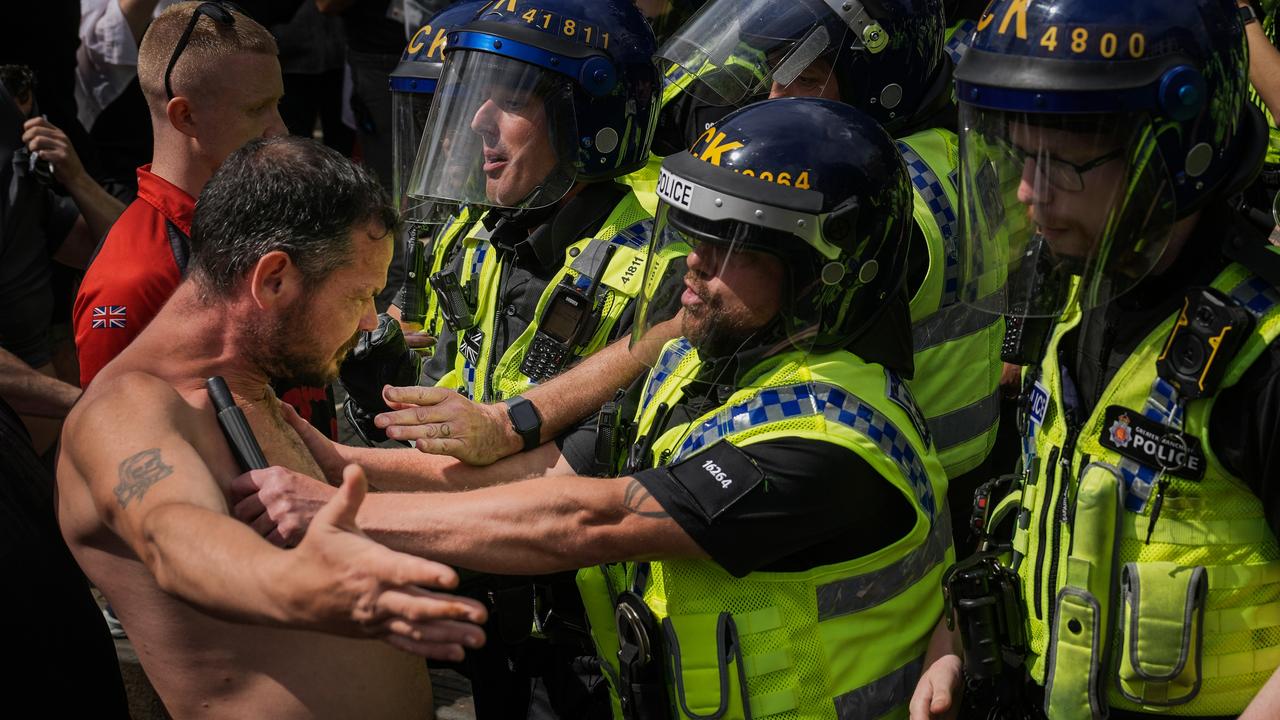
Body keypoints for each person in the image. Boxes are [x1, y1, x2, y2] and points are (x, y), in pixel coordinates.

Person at [238, 97, 955, 720]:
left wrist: (344, 516)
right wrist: (346, 468)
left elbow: (588, 519)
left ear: (824, 272)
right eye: (694, 235)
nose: (694, 264)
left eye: (732, 245)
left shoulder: (828, 443)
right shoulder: (702, 361)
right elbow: (548, 476)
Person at [912, 0, 1280, 718]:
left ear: (1176, 151)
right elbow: (1044, 513)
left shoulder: (1263, 358)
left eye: (1064, 167)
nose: (1027, 194)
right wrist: (951, 645)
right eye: (1021, 157)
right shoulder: (1085, 298)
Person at [57, 135, 488, 718]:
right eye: (359, 295)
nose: (369, 322)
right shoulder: (127, 410)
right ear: (274, 279)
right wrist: (303, 585)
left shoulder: (251, 389)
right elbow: (173, 534)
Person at [72, 1, 339, 437]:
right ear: (185, 115)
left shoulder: (258, 215)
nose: (280, 128)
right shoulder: (134, 277)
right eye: (257, 110)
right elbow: (117, 448)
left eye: (278, 104)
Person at [1, 68, 126, 453]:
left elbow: (134, 251)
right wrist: (83, 404)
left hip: (44, 445)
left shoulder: (20, 191)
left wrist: (76, 176)